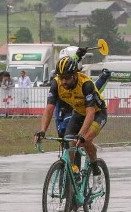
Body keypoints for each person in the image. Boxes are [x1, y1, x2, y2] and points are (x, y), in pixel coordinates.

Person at [34, 56, 107, 195]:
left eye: (67, 77)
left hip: (97, 113)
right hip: (79, 113)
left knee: (85, 140)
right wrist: (42, 131)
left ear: (74, 75)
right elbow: (49, 109)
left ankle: (97, 173)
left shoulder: (86, 84)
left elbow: (90, 113)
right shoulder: (56, 84)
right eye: (61, 77)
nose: (63, 81)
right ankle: (74, 173)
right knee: (69, 142)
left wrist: (82, 134)